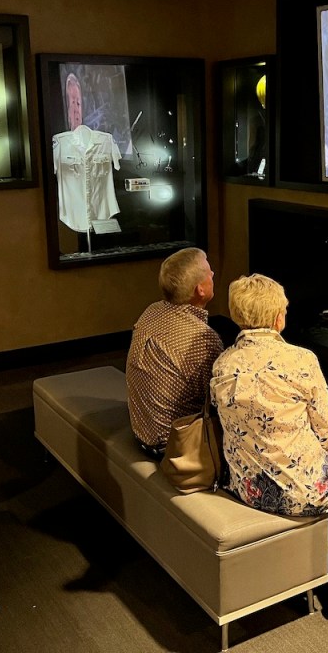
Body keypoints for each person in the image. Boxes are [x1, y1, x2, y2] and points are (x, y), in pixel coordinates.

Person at [211, 274, 328, 608]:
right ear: (277, 318)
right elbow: (327, 432)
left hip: (247, 489)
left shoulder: (223, 363)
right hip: (300, 491)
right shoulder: (301, 360)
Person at [126, 247, 224, 457]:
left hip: (142, 431)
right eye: (209, 272)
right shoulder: (203, 340)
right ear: (200, 290)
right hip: (174, 446)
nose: (213, 273)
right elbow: (218, 401)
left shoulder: (151, 311)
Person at [52, 72, 121, 233]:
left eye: (78, 103)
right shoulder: (60, 143)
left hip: (103, 213)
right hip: (72, 215)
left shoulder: (106, 140)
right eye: (72, 103)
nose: (76, 110)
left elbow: (117, 166)